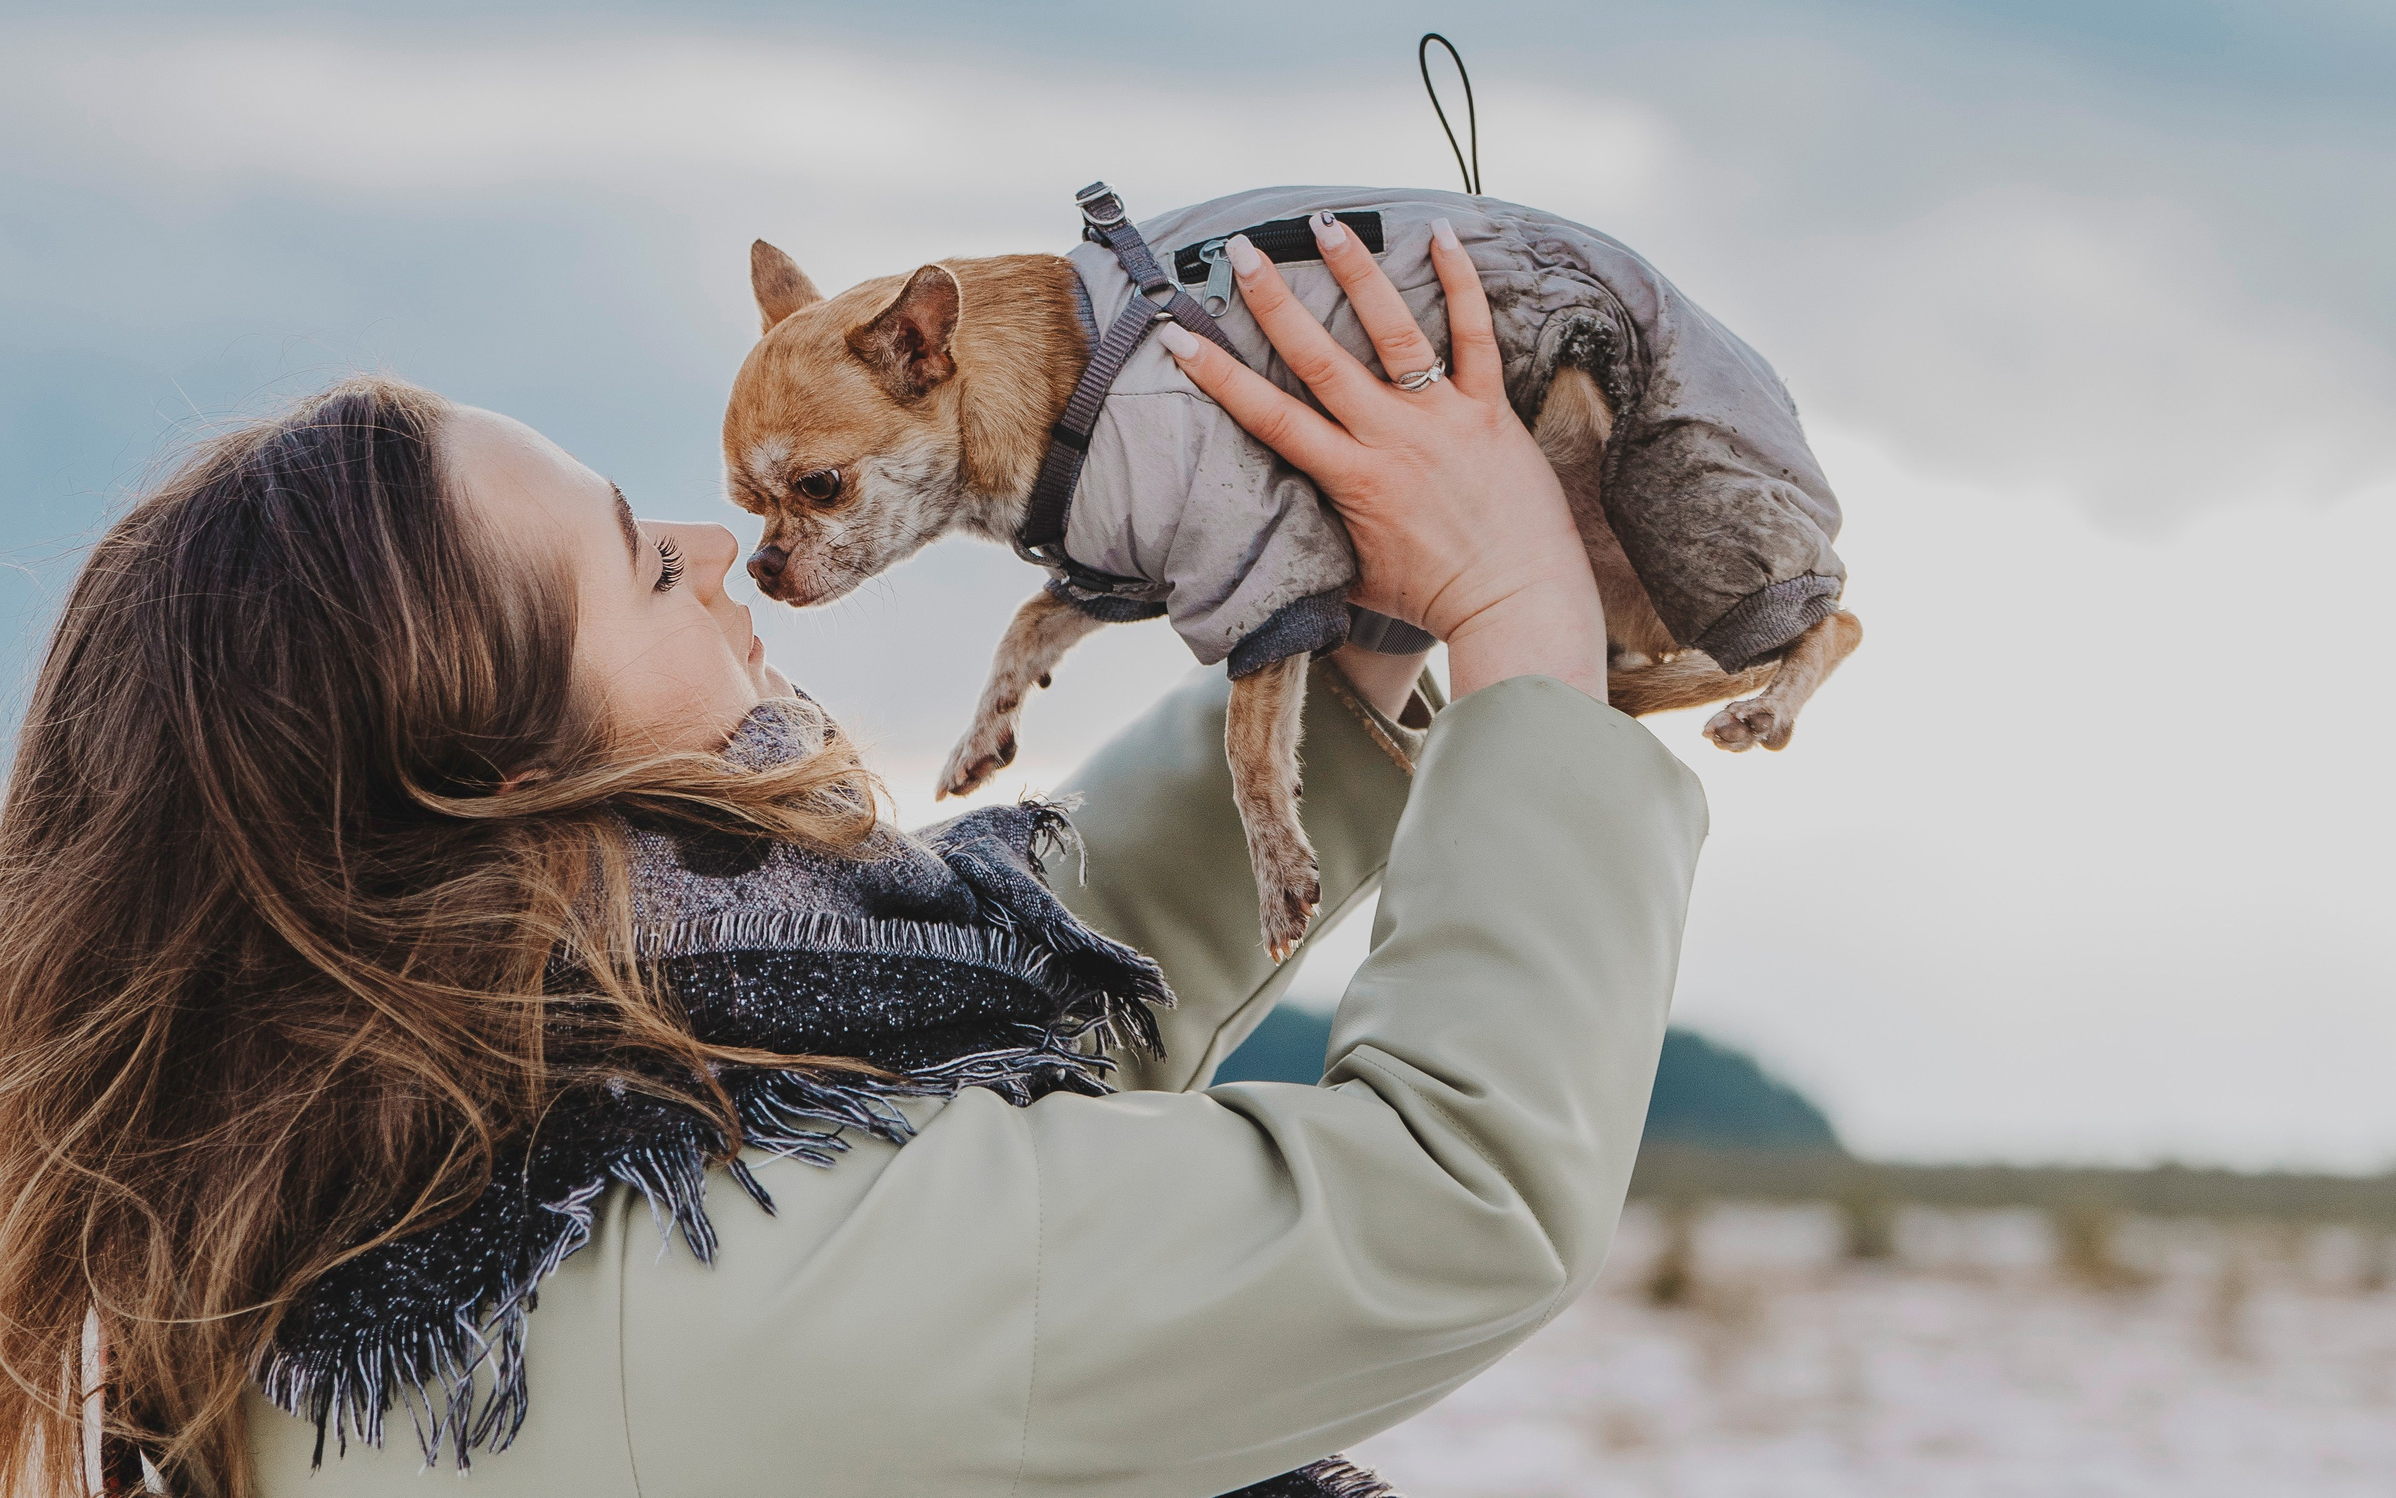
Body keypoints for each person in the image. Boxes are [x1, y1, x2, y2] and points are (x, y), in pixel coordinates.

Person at [0, 222, 1707, 1496]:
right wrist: (1524, 625)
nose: (707, 543)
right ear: (501, 773)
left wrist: (1350, 638)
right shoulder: (708, 1285)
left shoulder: (432, 1163)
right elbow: (1446, 1203)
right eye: (642, 568)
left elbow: (1010, 972)